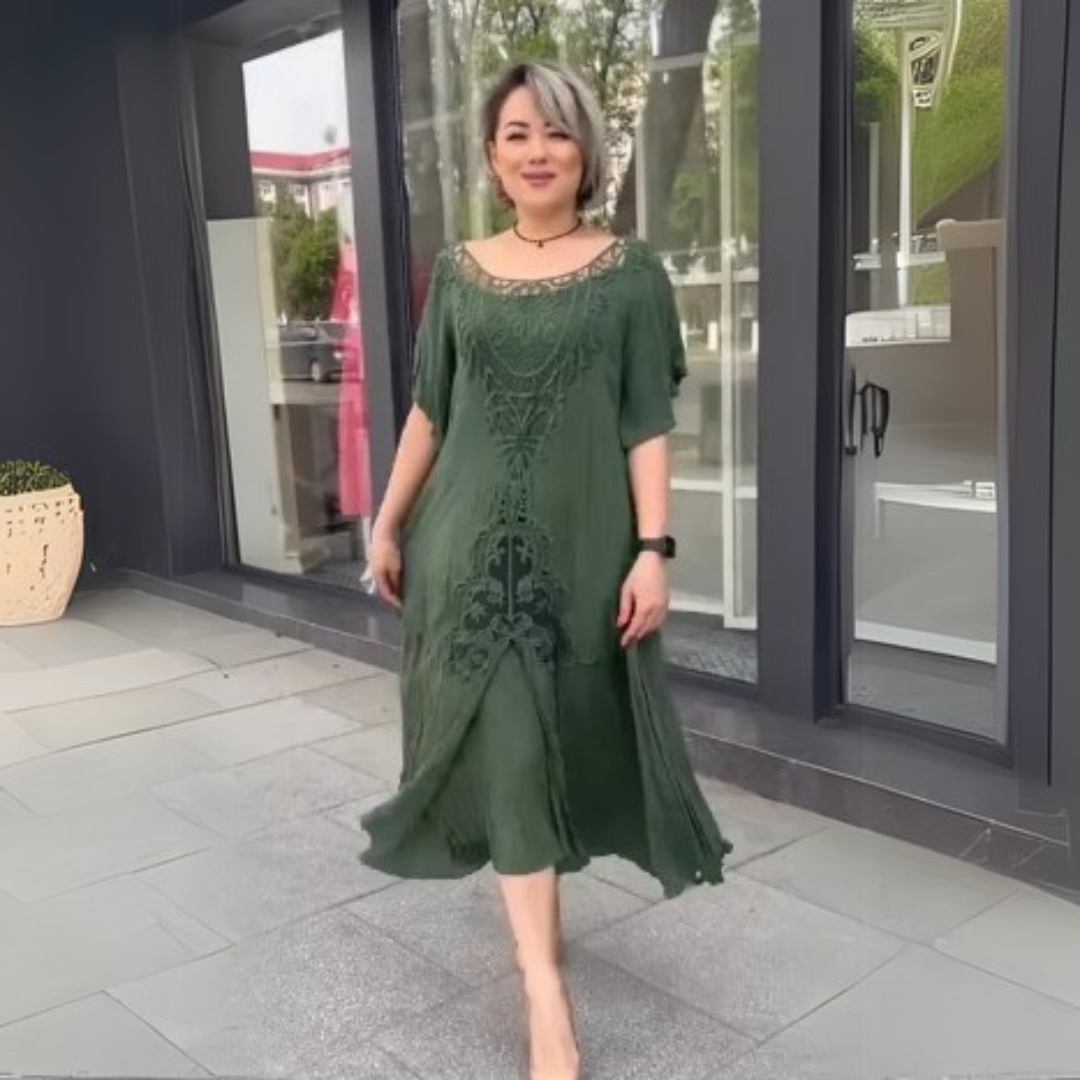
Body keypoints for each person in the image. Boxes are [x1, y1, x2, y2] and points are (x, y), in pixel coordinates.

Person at [363, 59, 732, 1080]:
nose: (537, 152)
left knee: (557, 741)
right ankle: (543, 991)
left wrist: (654, 551)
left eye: (557, 132)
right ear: (491, 155)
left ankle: (539, 940)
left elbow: (646, 423)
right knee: (511, 751)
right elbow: (431, 409)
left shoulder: (631, 274)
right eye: (517, 134)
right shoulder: (458, 272)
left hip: (581, 557)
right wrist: (387, 521)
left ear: (587, 152)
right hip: (464, 557)